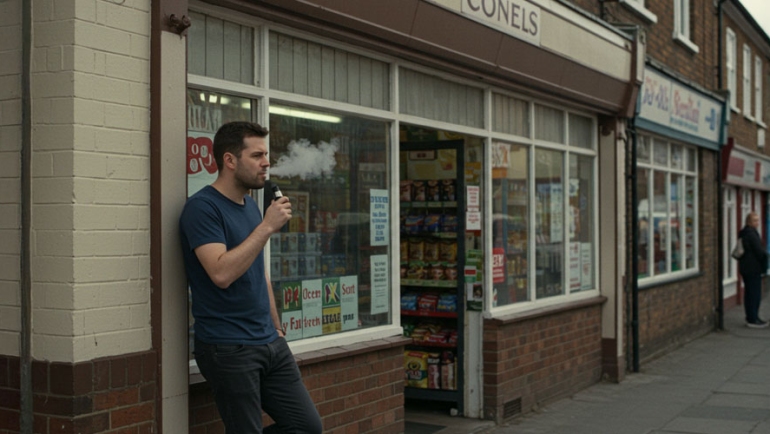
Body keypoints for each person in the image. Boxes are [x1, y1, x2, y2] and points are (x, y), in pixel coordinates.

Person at [180, 121, 323, 433]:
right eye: (257, 155)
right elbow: (220, 272)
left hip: (269, 341)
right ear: (230, 160)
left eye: (266, 155)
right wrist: (267, 226)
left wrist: (276, 326)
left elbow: (258, 271)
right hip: (229, 346)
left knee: (307, 427)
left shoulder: (250, 208)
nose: (267, 163)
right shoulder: (202, 208)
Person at [738, 211, 769, 329]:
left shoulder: (745, 232)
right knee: (754, 294)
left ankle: (753, 317)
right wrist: (766, 257)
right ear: (750, 222)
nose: (758, 223)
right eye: (755, 220)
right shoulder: (751, 234)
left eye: (758, 220)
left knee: (751, 293)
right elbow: (759, 251)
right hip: (752, 268)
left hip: (747, 268)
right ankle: (752, 319)